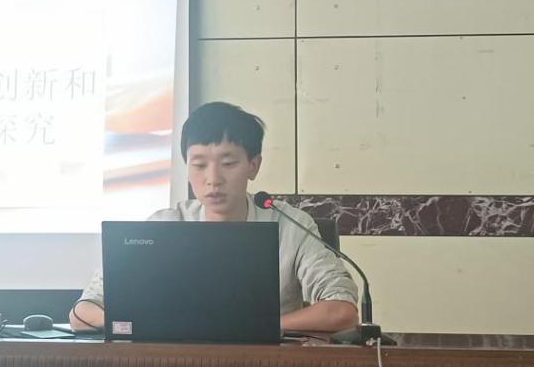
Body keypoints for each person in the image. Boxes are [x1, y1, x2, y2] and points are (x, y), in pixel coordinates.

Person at [70, 101, 359, 333]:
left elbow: (342, 310)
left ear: (253, 166)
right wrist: (141, 326)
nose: (213, 179)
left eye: (228, 163)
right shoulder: (162, 226)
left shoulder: (289, 226)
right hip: (173, 366)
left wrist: (257, 329)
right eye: (199, 165)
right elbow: (82, 313)